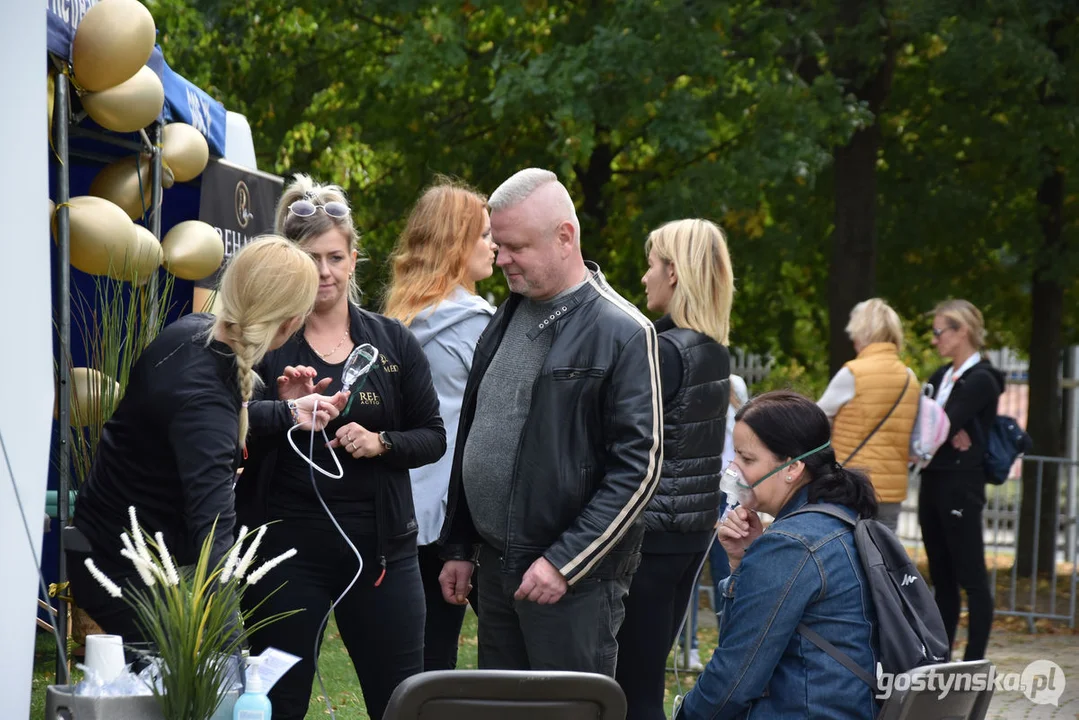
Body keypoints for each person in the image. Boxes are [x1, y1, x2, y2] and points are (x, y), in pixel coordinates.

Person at [437, 168, 662, 677]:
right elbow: (477, 428)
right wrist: (460, 545)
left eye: (516, 246)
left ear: (565, 237)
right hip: (497, 568)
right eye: (498, 243)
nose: (501, 258)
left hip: (572, 586)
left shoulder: (623, 331)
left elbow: (639, 471)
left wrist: (565, 561)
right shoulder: (508, 312)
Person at [237, 175, 447, 720]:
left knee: (401, 702)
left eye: (335, 256)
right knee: (275, 703)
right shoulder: (264, 343)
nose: (324, 272)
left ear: (354, 258)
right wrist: (283, 412)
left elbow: (433, 436)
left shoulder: (392, 340)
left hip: (382, 553)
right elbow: (226, 423)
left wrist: (381, 442)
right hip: (284, 552)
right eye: (311, 258)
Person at [68, 237, 336, 642]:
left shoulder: (192, 333)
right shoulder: (204, 398)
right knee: (175, 697)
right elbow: (214, 535)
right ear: (291, 322)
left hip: (111, 542)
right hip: (123, 567)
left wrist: (288, 412)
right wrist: (231, 658)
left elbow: (202, 420)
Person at [675, 391, 879, 720]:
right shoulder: (841, 518)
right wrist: (743, 563)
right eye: (734, 455)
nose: (733, 470)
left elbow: (733, 678)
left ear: (792, 468)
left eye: (747, 459)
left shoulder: (791, 545)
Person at [615, 219, 732, 718]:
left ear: (675, 273)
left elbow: (626, 444)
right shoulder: (712, 348)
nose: (644, 277)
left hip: (652, 533)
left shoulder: (664, 351)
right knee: (646, 676)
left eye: (651, 265)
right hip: (690, 534)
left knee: (632, 686)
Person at [383, 179, 496, 670]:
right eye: (485, 235)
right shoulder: (480, 325)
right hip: (454, 517)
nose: (495, 246)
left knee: (413, 660)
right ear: (456, 243)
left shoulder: (391, 321)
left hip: (395, 508)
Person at [919, 299, 1001, 661]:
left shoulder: (981, 379)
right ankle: (941, 658)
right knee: (942, 575)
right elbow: (928, 424)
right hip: (933, 479)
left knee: (971, 575)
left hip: (961, 485)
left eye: (939, 332)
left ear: (961, 331)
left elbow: (943, 422)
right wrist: (941, 426)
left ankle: (974, 660)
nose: (935, 340)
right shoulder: (940, 377)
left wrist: (944, 425)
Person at [817, 298, 919, 532]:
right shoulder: (909, 378)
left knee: (847, 554)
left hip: (852, 485)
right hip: (891, 490)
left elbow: (815, 419)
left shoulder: (853, 373)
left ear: (862, 332)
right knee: (882, 557)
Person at [678, 374, 748, 672]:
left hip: (728, 494)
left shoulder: (736, 392)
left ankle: (725, 647)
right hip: (701, 491)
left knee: (726, 574)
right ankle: (688, 647)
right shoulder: (698, 397)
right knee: (691, 575)